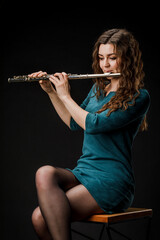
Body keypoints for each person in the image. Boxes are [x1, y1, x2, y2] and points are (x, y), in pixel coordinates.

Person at [30, 28, 150, 240]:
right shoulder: (97, 90)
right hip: (85, 172)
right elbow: (74, 123)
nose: (105, 65)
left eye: (113, 58)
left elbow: (93, 124)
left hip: (112, 182)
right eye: (101, 58)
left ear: (128, 59)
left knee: (40, 218)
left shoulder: (138, 97)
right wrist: (51, 92)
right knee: (44, 173)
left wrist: (65, 95)